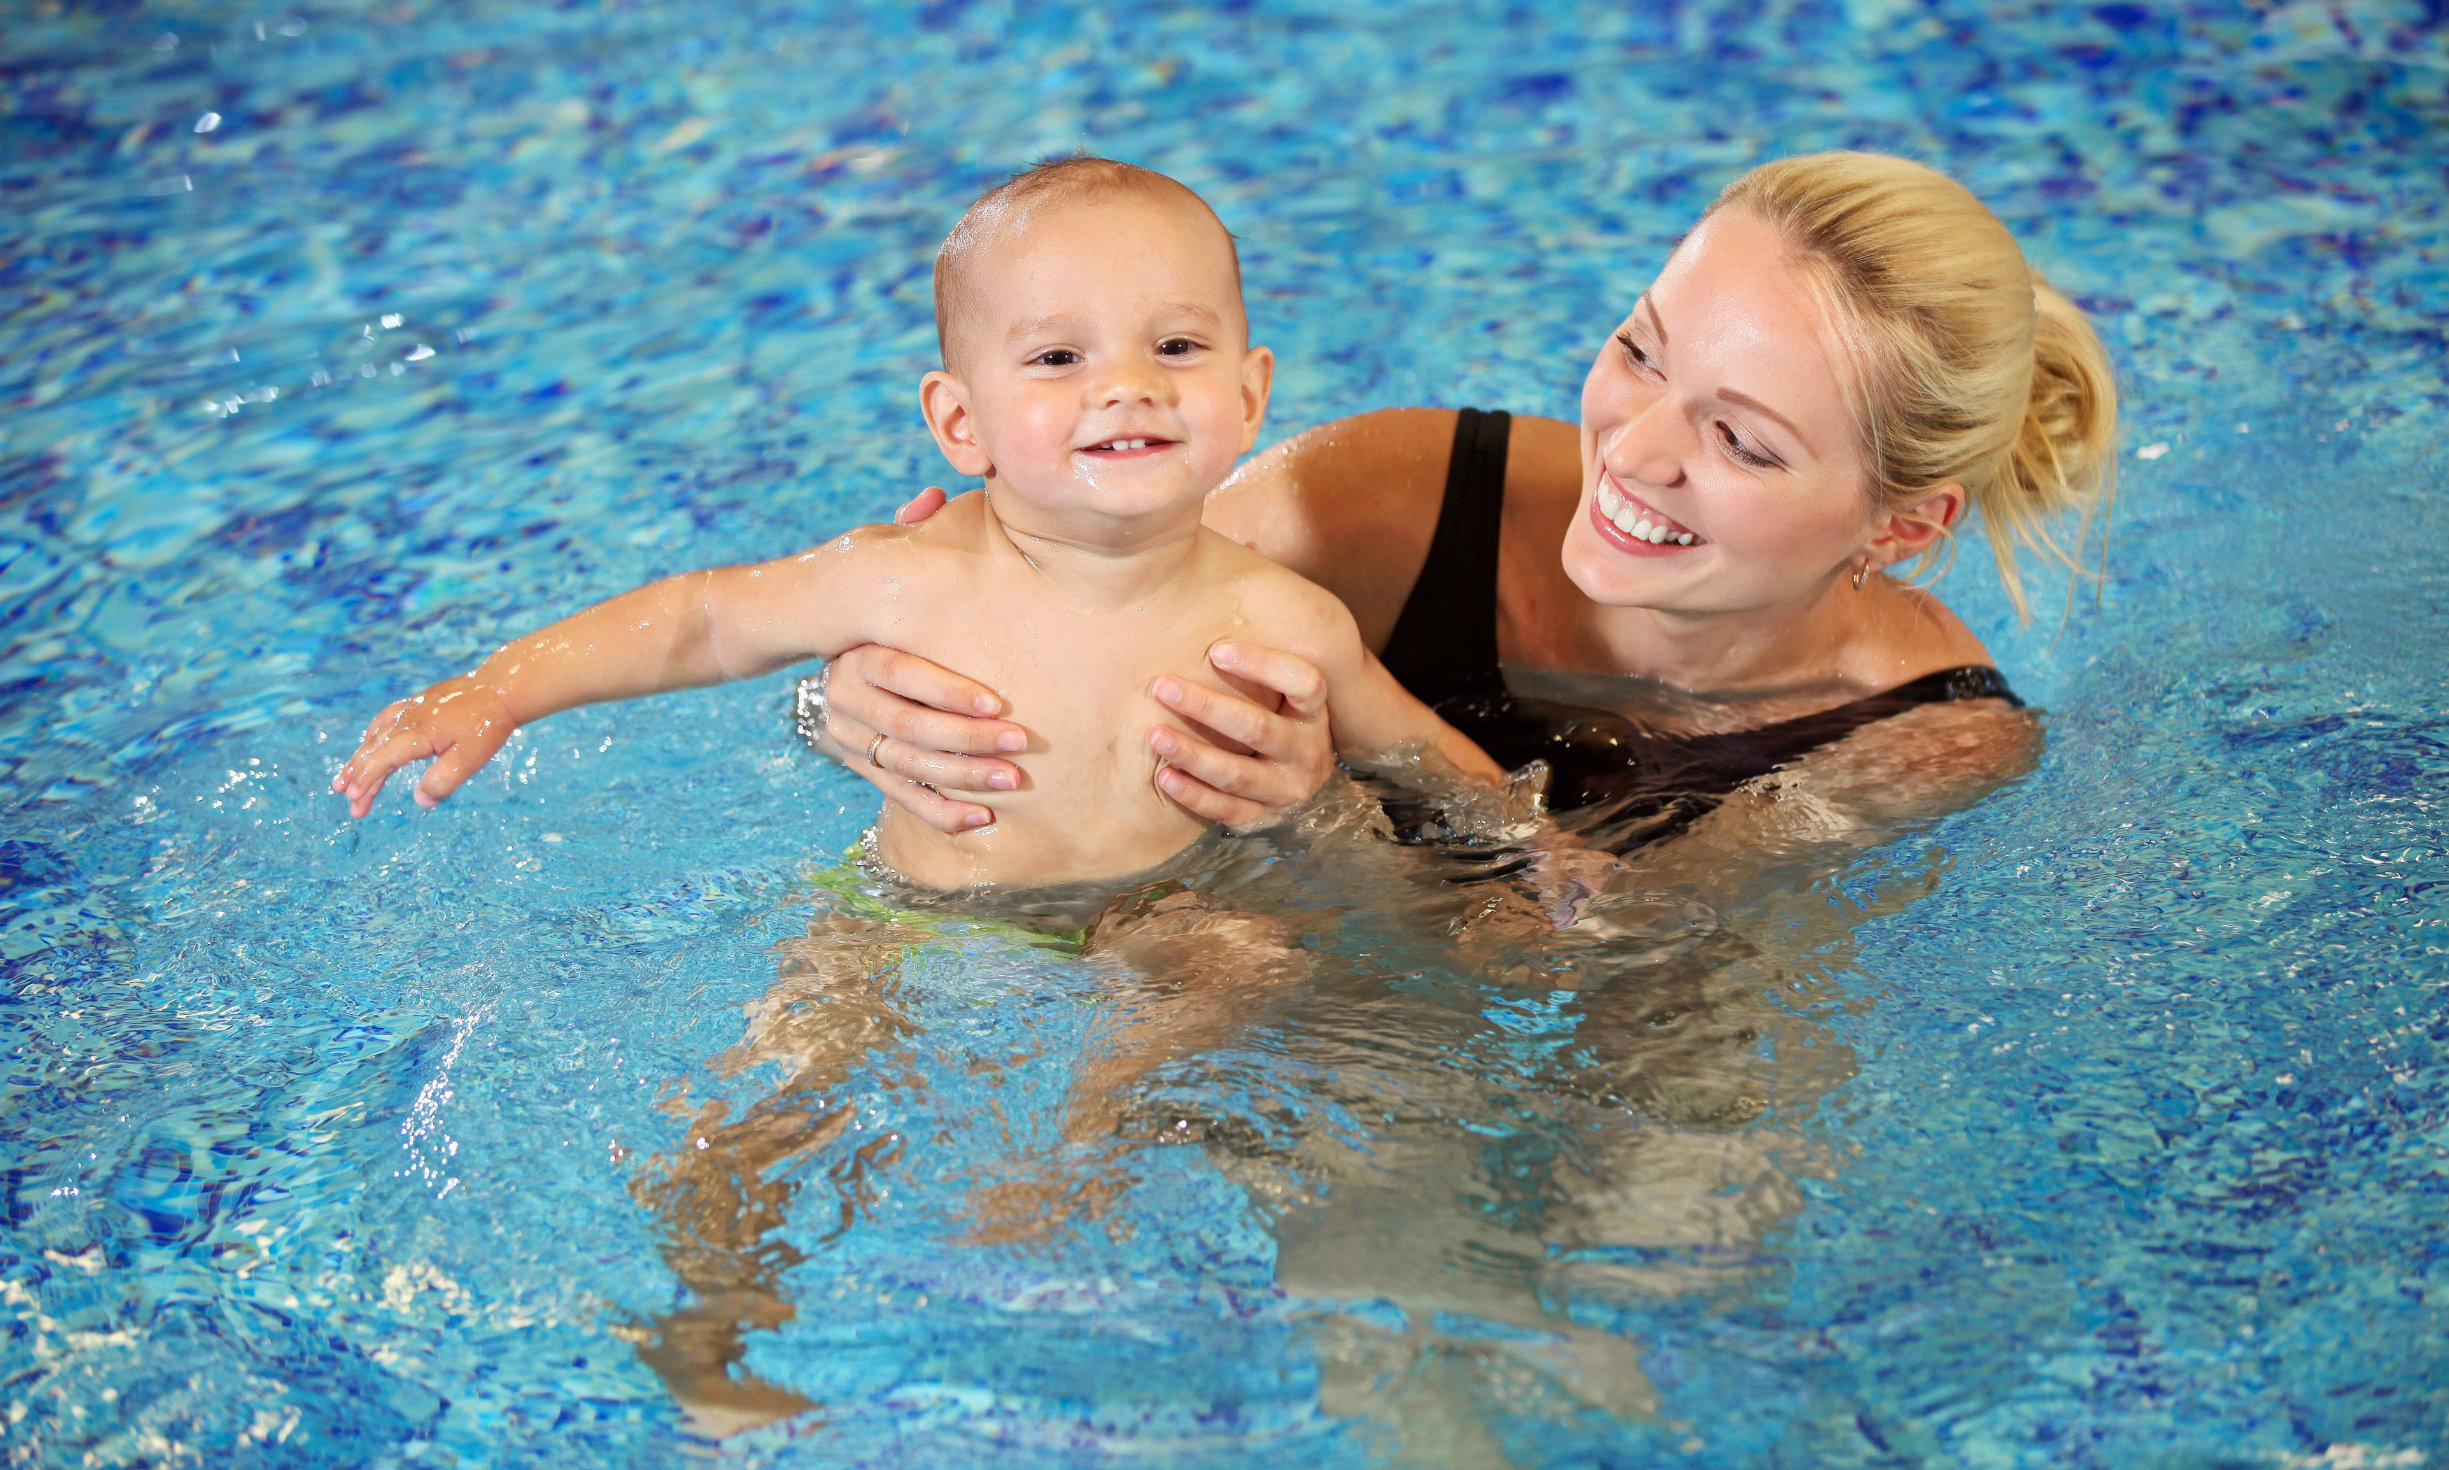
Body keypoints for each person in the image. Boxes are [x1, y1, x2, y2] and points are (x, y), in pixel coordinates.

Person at [813, 151, 2118, 861]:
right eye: (1642, 351)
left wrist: (1321, 810)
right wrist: (863, 700)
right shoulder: (1388, 502)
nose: (1634, 451)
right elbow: (1030, 624)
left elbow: (1574, 976)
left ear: (1899, 530)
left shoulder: (1917, 736)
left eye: (1738, 437)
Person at [328, 158, 1502, 891]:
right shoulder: (902, 578)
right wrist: (499, 688)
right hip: (908, 917)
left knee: (1230, 972)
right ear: (960, 423)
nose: (1126, 385)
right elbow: (700, 621)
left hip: (1161, 922)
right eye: (1056, 356)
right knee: (777, 1082)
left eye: (1177, 347)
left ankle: (1051, 1199)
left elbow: (1410, 748)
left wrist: (1545, 858)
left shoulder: (1281, 616)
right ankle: (719, 1271)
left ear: (1249, 396)